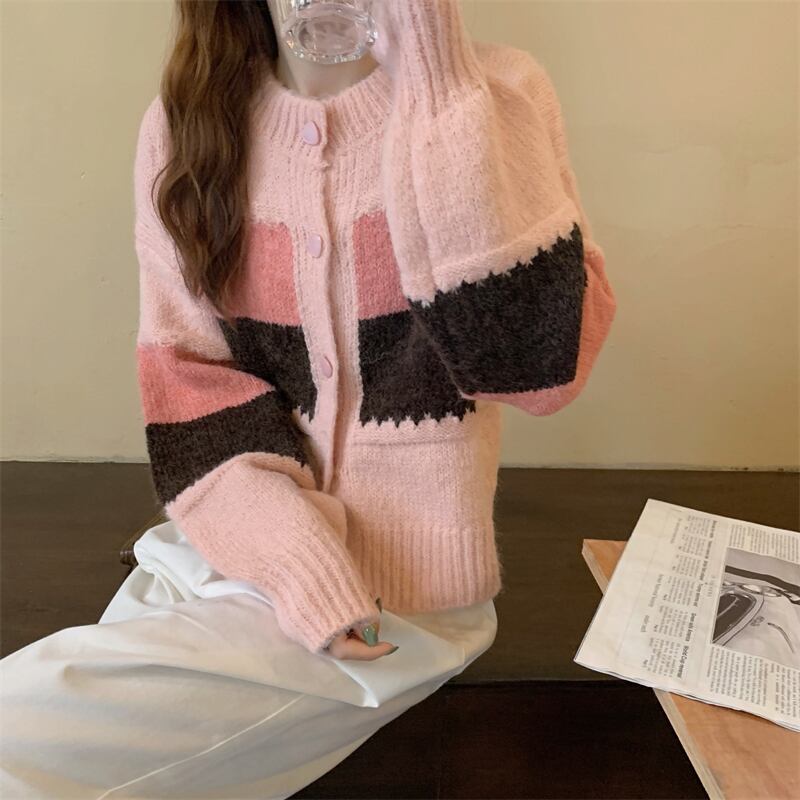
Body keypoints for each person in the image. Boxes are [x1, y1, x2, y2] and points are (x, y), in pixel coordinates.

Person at [0, 0, 617, 796]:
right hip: (237, 555)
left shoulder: (493, 96)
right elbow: (192, 392)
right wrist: (297, 567)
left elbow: (539, 370)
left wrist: (436, 83)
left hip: (400, 610)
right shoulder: (186, 127)